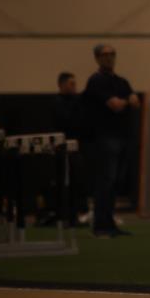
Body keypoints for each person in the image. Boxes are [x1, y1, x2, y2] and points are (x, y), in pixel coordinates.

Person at [82, 44, 139, 237]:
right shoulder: (96, 81)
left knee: (114, 183)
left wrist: (126, 101)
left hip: (123, 137)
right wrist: (127, 101)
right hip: (104, 138)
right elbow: (116, 105)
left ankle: (110, 224)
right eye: (105, 55)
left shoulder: (121, 81)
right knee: (105, 182)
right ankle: (100, 226)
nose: (109, 58)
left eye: (112, 54)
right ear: (97, 58)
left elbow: (135, 102)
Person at [51, 72, 88, 225]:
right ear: (62, 85)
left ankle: (76, 214)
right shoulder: (57, 102)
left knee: (78, 181)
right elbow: (64, 121)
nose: (75, 87)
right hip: (62, 148)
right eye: (71, 84)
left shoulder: (77, 101)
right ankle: (62, 215)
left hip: (76, 146)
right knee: (63, 181)